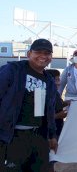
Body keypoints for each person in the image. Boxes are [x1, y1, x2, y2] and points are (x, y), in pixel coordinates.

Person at [0, 38, 58, 171]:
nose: (43, 56)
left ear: (51, 57)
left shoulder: (49, 80)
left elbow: (49, 111)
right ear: (29, 54)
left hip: (39, 137)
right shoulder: (12, 71)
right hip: (12, 138)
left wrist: (52, 135)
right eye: (38, 52)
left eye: (47, 53)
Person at [45, 69, 70, 172]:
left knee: (54, 154)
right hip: (50, 132)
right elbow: (41, 116)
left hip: (57, 128)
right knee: (49, 155)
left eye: (59, 79)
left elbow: (57, 105)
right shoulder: (45, 94)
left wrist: (66, 103)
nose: (59, 82)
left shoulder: (55, 93)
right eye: (56, 80)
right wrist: (58, 116)